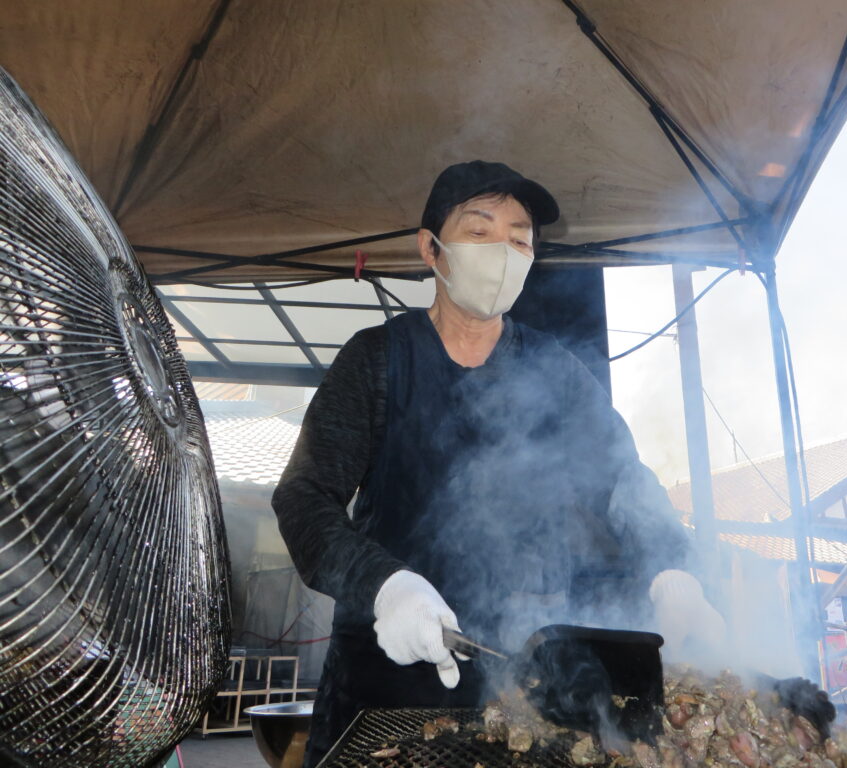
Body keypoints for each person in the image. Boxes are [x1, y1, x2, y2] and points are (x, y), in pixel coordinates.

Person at [274, 160, 725, 768]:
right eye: (479, 231)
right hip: (384, 677)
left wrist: (673, 571)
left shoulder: (553, 370)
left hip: (519, 682)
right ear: (431, 249)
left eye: (519, 239)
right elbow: (304, 498)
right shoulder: (378, 360)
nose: (503, 253)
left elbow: (621, 478)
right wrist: (386, 586)